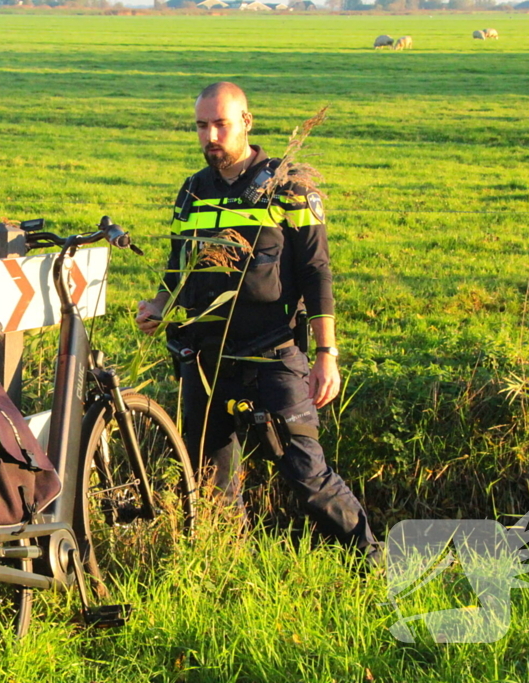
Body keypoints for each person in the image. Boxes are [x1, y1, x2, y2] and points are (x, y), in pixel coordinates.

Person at [135, 82, 377, 557]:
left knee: (308, 476)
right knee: (211, 482)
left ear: (246, 122)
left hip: (275, 352)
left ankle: (372, 561)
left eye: (221, 124)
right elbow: (177, 269)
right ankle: (230, 568)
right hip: (207, 360)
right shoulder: (192, 192)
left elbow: (316, 273)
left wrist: (327, 355)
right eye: (202, 126)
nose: (211, 136)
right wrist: (159, 305)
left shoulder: (287, 187)